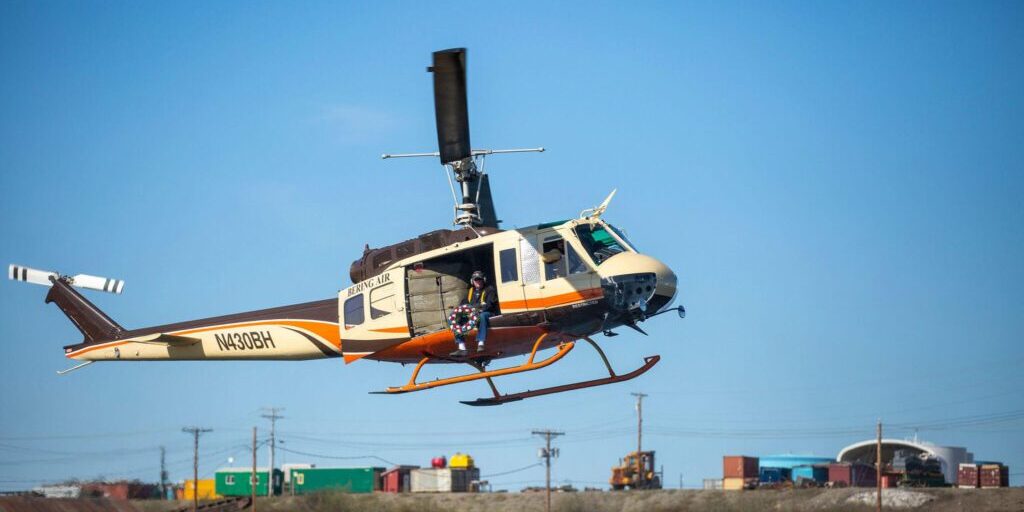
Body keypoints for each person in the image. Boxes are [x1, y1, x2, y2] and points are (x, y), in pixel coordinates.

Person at [450, 270, 497, 357]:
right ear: (472, 281)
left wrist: (477, 309)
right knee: (455, 318)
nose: (478, 281)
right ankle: (462, 347)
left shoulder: (490, 290)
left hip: (487, 313)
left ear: (484, 280)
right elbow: (464, 304)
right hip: (473, 314)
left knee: (482, 316)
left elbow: (490, 305)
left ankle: (481, 342)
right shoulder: (470, 291)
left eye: (479, 279)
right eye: (476, 280)